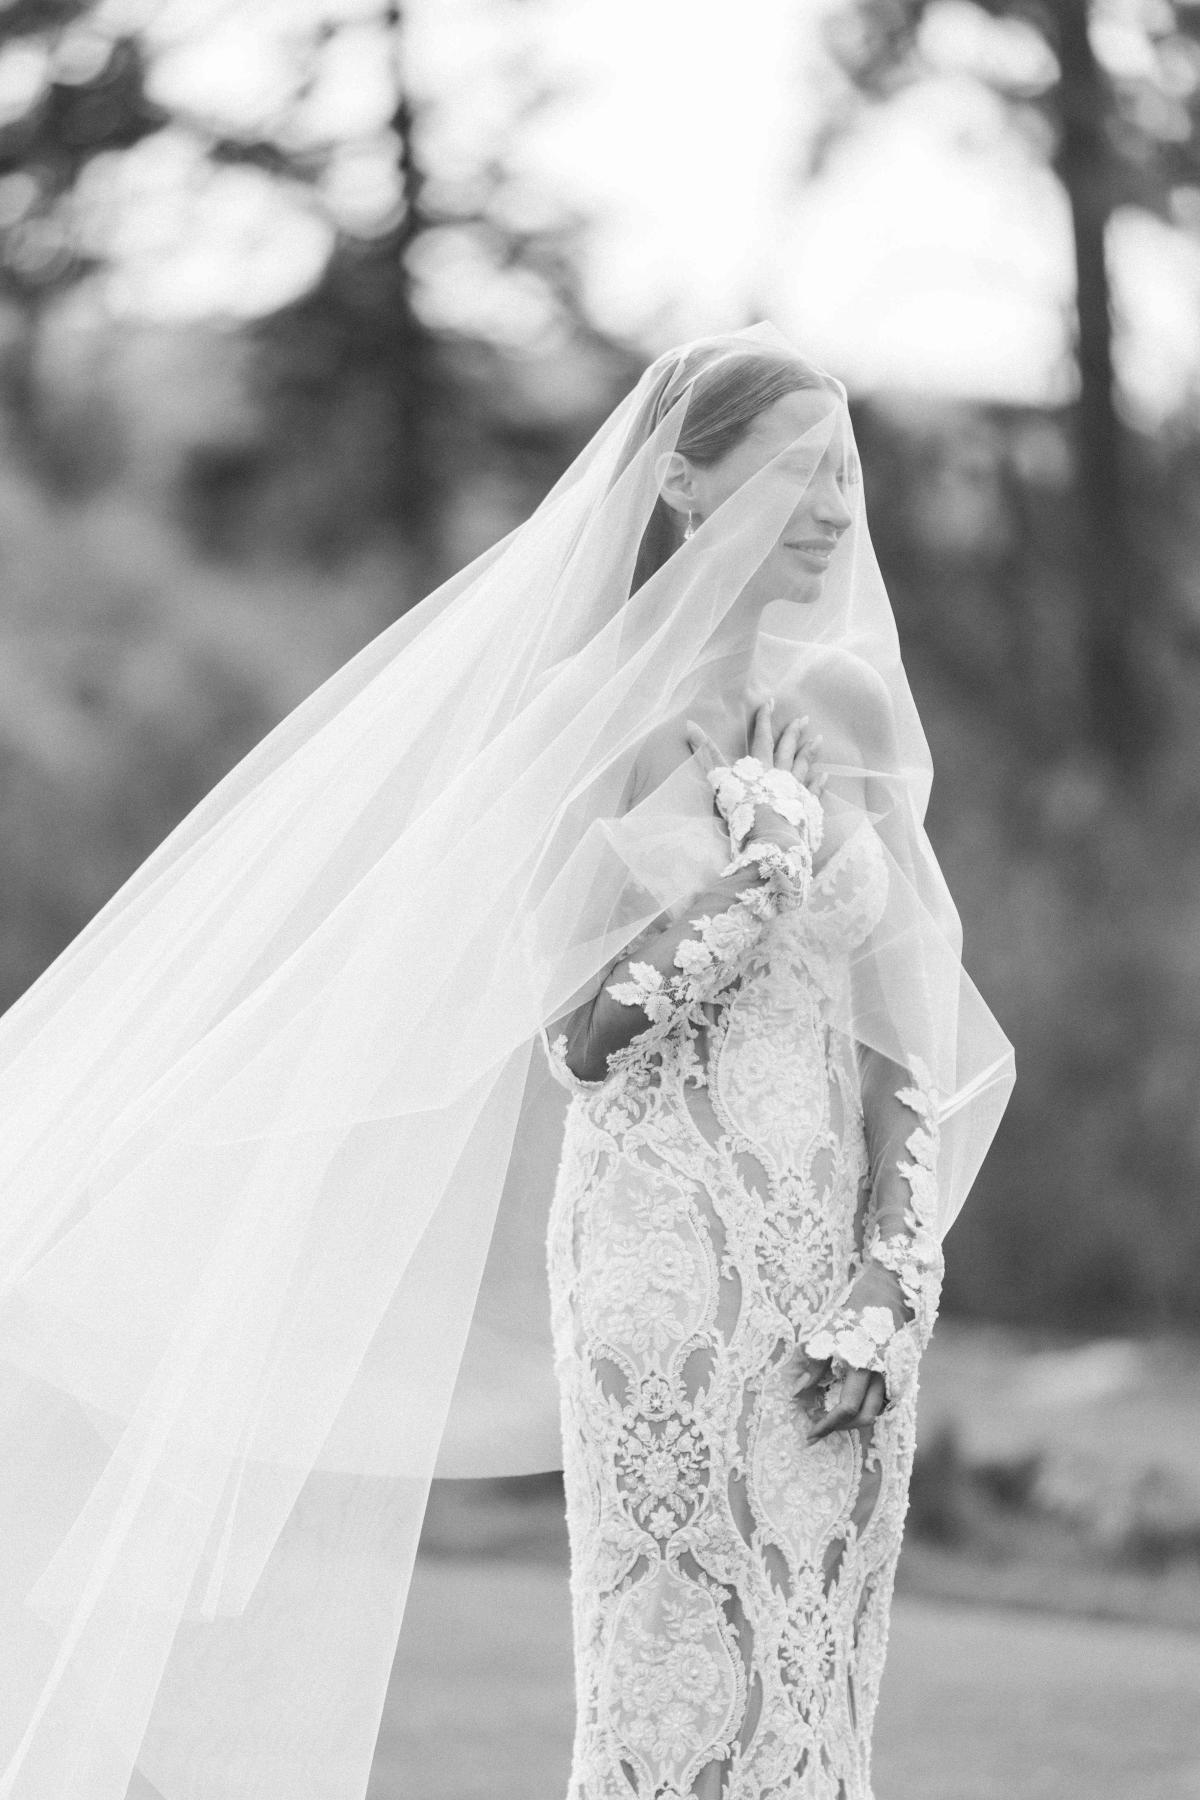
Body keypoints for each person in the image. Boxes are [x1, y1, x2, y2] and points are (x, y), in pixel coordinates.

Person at [0, 325, 1013, 1800]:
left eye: (846, 470)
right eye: (797, 468)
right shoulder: (594, 728)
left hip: (831, 1263)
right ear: (682, 480)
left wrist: (894, 1269)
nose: (835, 507)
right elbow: (584, 1039)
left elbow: (904, 1028)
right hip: (660, 1255)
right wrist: (757, 879)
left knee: (819, 1671)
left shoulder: (851, 716)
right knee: (682, 1658)